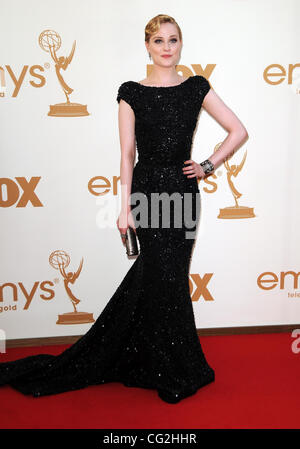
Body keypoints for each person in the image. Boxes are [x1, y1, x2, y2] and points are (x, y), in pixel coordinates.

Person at [0, 14, 248, 404]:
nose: (166, 48)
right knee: (158, 277)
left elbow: (238, 130)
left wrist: (206, 165)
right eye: (158, 41)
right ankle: (164, 364)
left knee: (169, 277)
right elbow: (127, 154)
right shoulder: (131, 91)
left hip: (183, 193)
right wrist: (123, 209)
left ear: (180, 45)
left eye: (173, 40)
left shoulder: (196, 87)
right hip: (147, 193)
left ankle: (168, 363)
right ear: (146, 46)